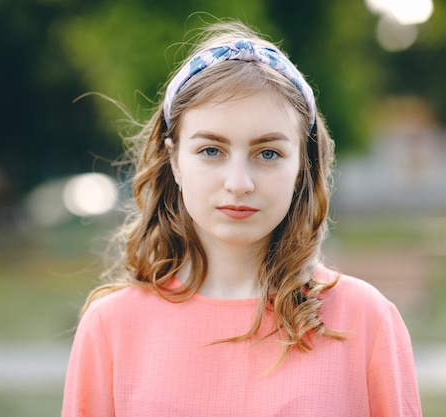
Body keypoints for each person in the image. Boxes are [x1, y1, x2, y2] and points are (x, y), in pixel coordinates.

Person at [61, 20, 422, 417]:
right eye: (211, 151)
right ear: (175, 161)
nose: (239, 183)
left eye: (267, 153)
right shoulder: (110, 328)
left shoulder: (366, 321)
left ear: (302, 167)